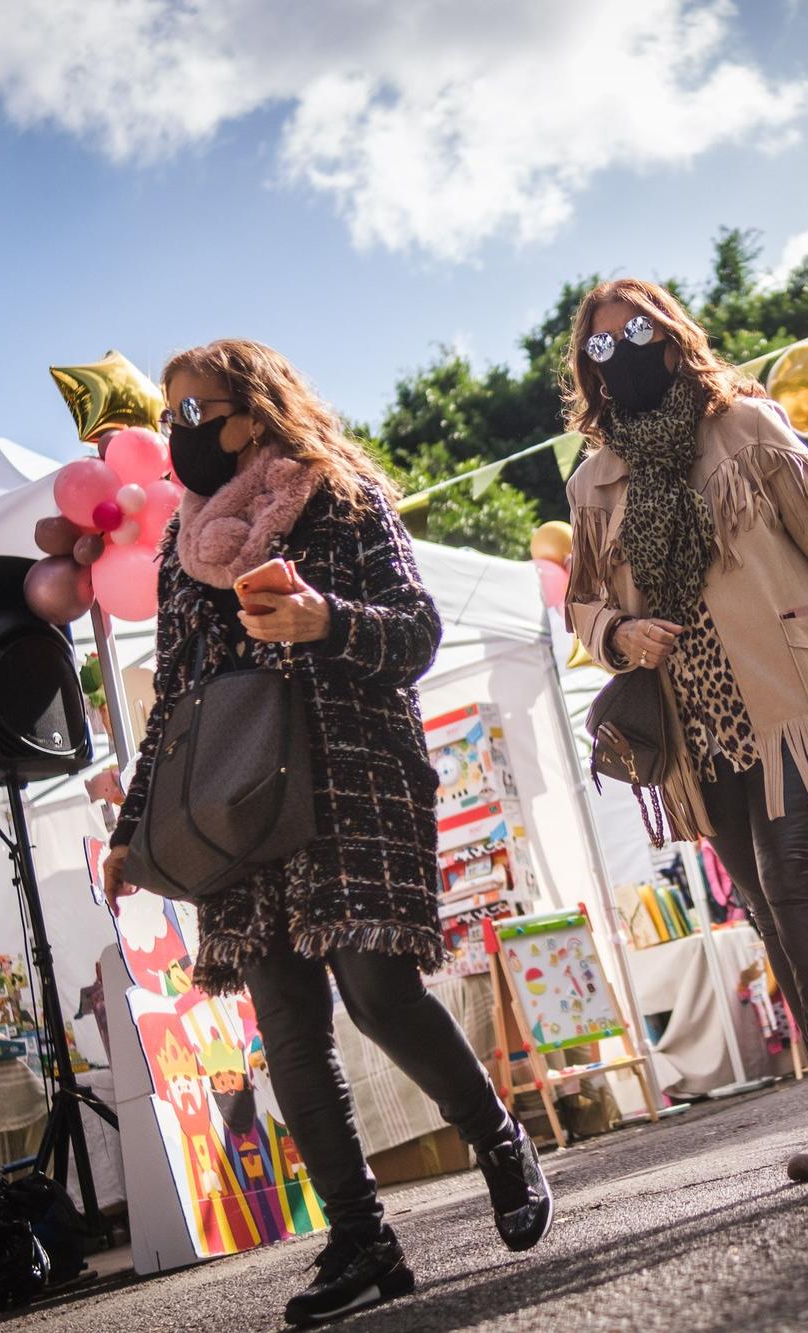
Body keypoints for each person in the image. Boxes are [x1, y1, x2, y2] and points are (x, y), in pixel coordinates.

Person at [101, 340, 548, 1326]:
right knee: (289, 1027)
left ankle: (496, 1139)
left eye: (195, 413)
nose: (179, 436)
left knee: (379, 991)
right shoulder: (182, 554)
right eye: (166, 420)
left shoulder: (337, 495)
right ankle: (361, 1238)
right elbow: (174, 699)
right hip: (237, 801)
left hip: (349, 777)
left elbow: (415, 629)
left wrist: (323, 621)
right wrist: (133, 827)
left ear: (252, 412)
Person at [561, 279, 808, 1185]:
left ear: (671, 338)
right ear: (587, 368)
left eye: (635, 334)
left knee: (796, 879)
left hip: (791, 697)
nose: (616, 355)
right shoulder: (592, 483)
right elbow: (583, 602)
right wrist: (617, 634)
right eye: (598, 346)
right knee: (771, 906)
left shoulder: (748, 428)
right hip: (690, 726)